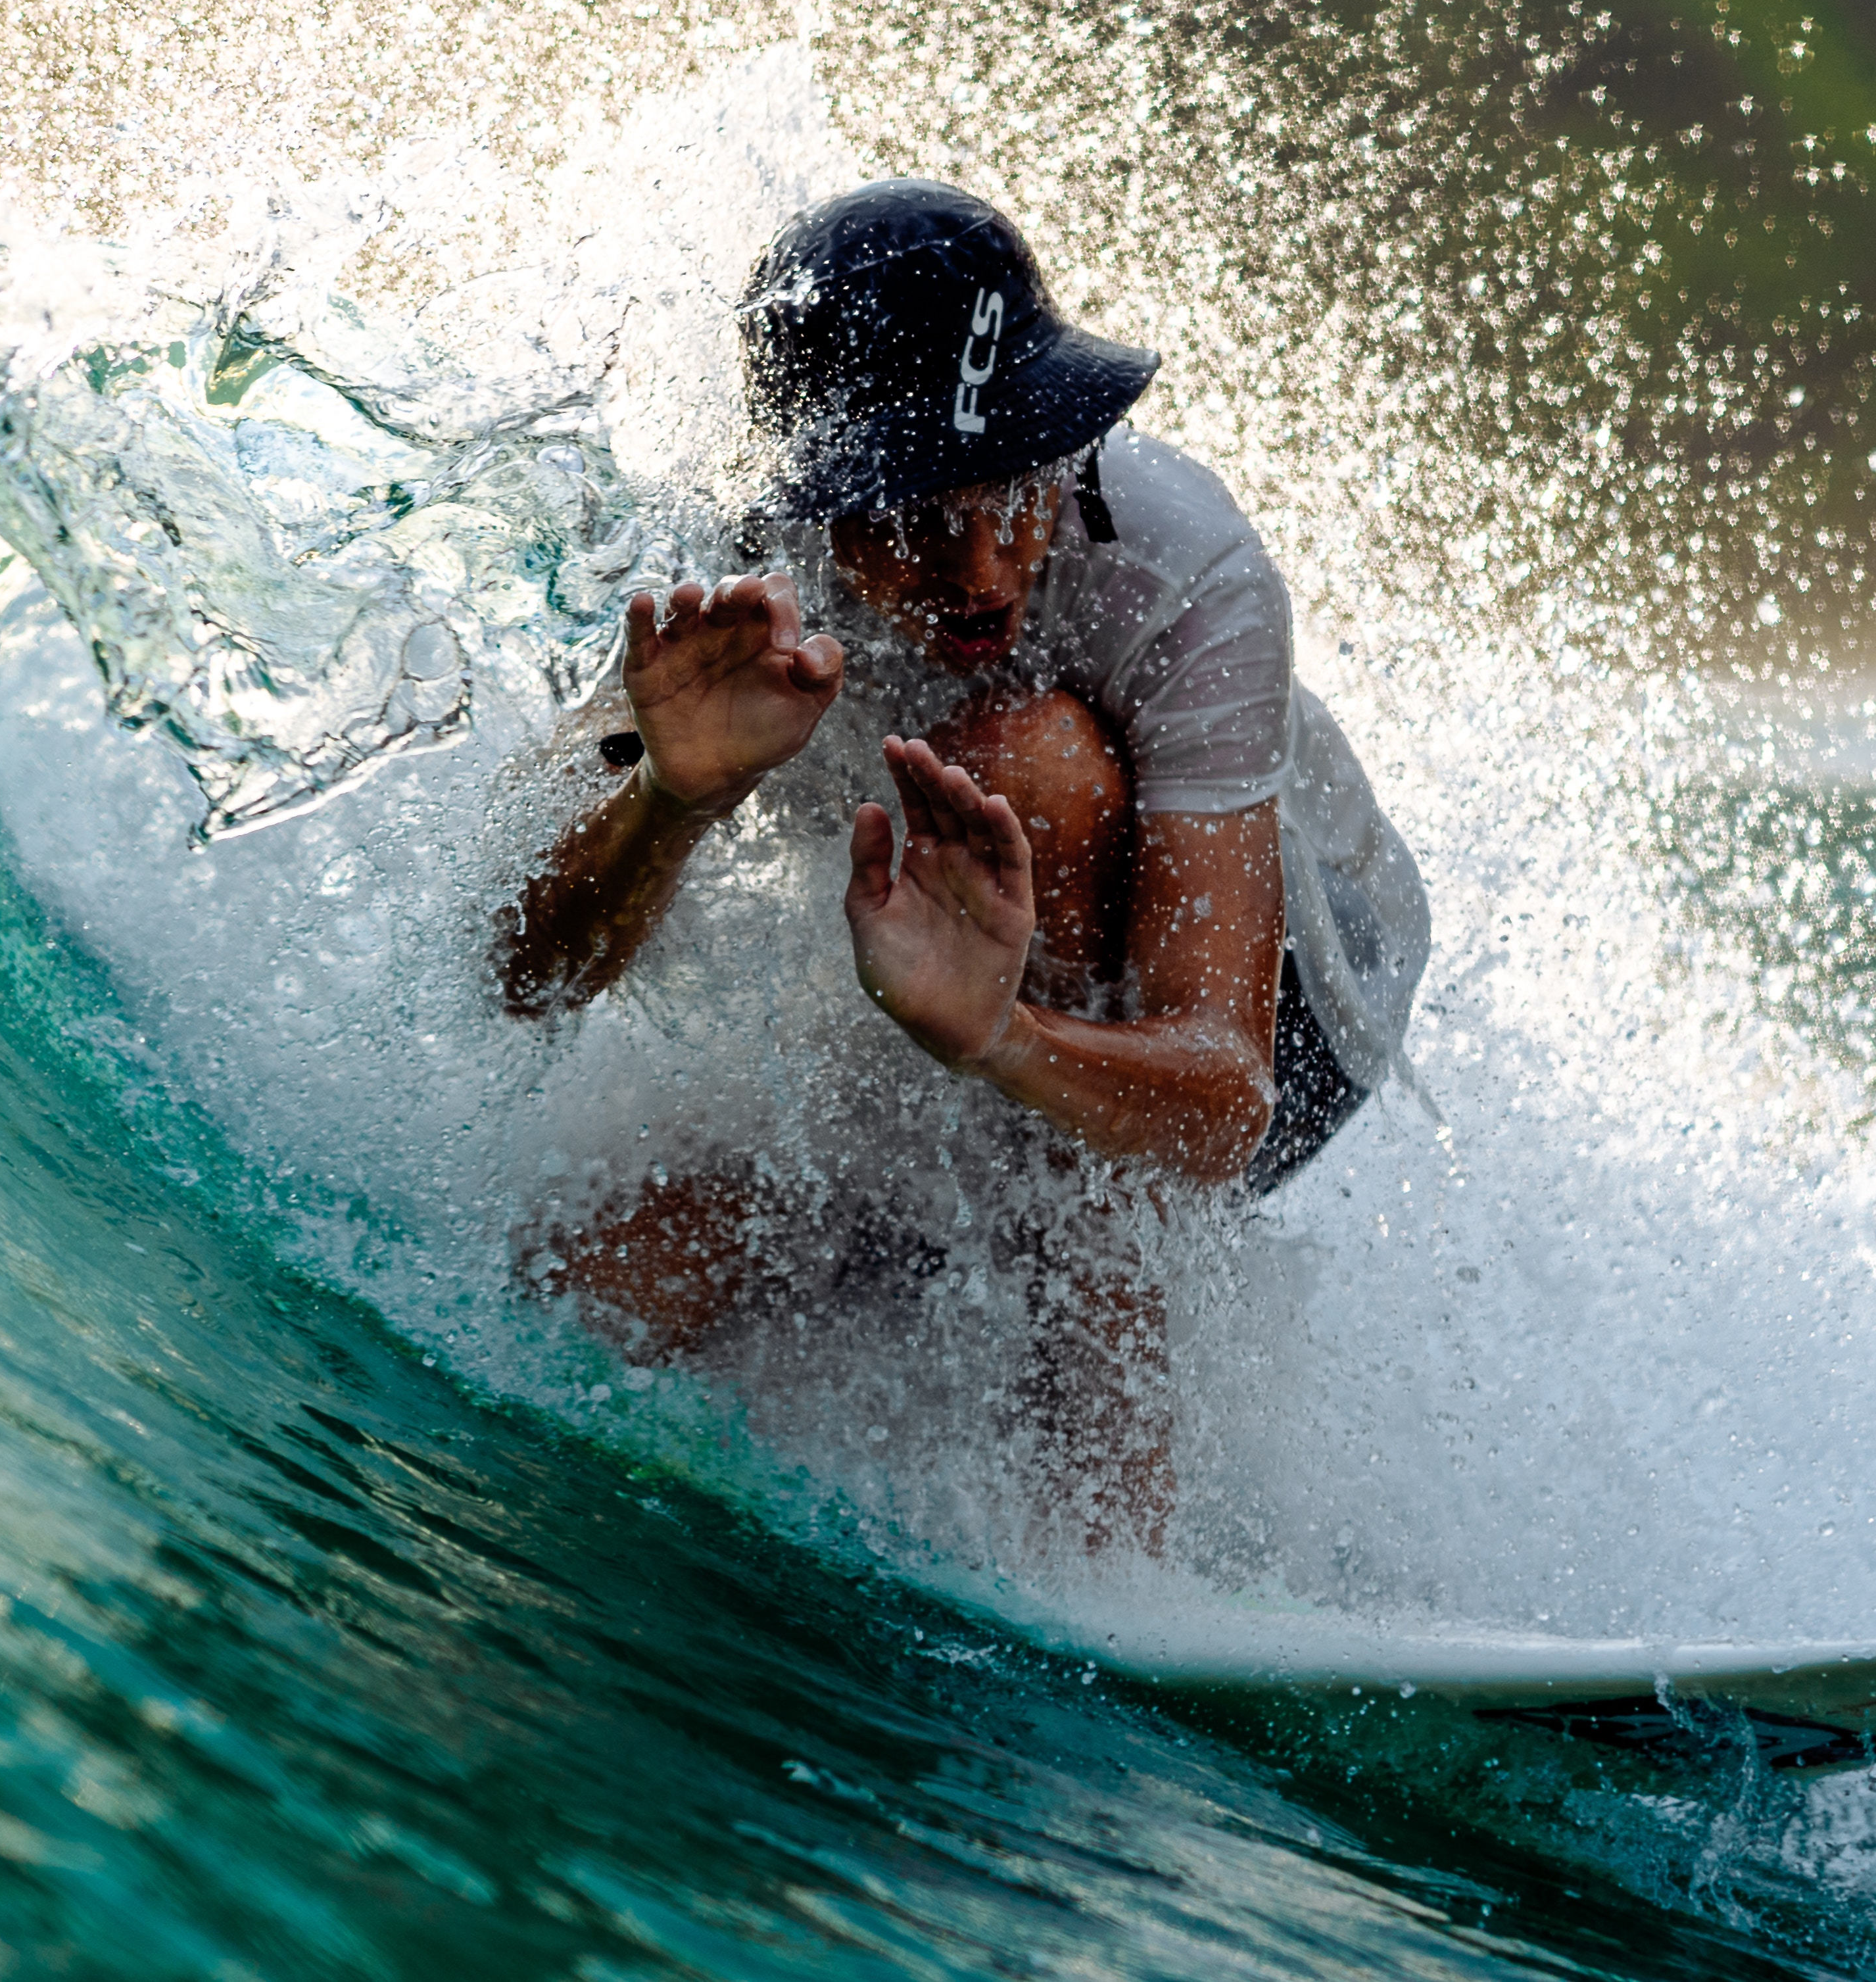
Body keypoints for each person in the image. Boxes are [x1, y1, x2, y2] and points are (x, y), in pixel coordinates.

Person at [491, 179, 1426, 1546]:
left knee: (1027, 772)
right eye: (924, 523)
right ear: (824, 499)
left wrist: (1000, 1037)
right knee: (586, 1283)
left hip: (1287, 1010)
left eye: (1016, 498)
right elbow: (529, 977)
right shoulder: (743, 582)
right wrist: (672, 807)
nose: (985, 575)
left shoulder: (1185, 564)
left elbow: (1224, 1095)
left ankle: (1110, 1543)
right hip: (958, 1001)